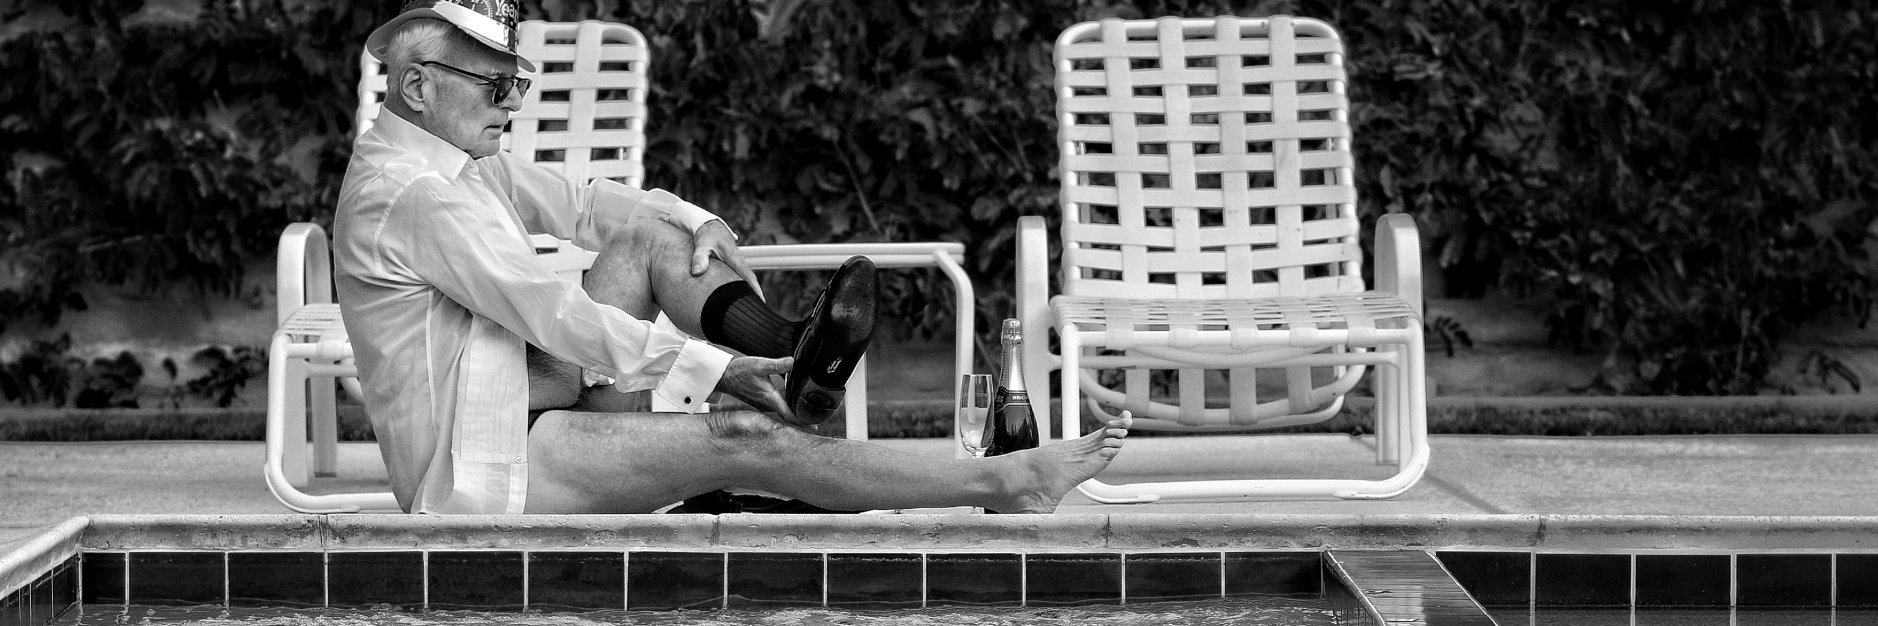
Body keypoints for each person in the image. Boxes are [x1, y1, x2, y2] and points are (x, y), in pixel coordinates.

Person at [332, 0, 1128, 515]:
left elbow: (583, 203)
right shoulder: (408, 196)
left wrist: (701, 219)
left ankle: (791, 347)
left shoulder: (459, 159)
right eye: (494, 87)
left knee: (654, 238)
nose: (511, 106)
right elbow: (551, 312)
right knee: (746, 436)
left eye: (518, 86)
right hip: (484, 467)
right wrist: (715, 372)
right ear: (417, 87)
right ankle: (1006, 480)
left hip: (539, 400)